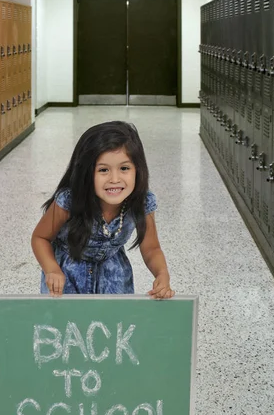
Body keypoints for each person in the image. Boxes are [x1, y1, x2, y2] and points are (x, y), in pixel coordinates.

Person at [31, 121, 174, 299]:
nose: (115, 179)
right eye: (103, 170)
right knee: (67, 323)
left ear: (138, 170)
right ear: (86, 172)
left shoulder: (142, 203)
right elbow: (40, 238)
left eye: (124, 168)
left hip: (114, 277)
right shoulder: (69, 201)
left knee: (113, 324)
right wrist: (51, 269)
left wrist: (162, 274)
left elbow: (151, 248)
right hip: (67, 277)